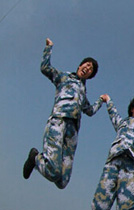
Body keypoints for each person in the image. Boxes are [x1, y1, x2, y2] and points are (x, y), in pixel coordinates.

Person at [23, 38, 103, 189]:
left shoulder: (83, 94)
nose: (87, 68)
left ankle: (40, 164)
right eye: (86, 65)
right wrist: (49, 48)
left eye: (90, 69)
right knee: (53, 172)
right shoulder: (64, 77)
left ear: (90, 76)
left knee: (62, 181)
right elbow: (45, 68)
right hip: (58, 123)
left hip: (72, 134)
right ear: (80, 66)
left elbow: (90, 111)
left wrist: (100, 101)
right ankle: (35, 159)